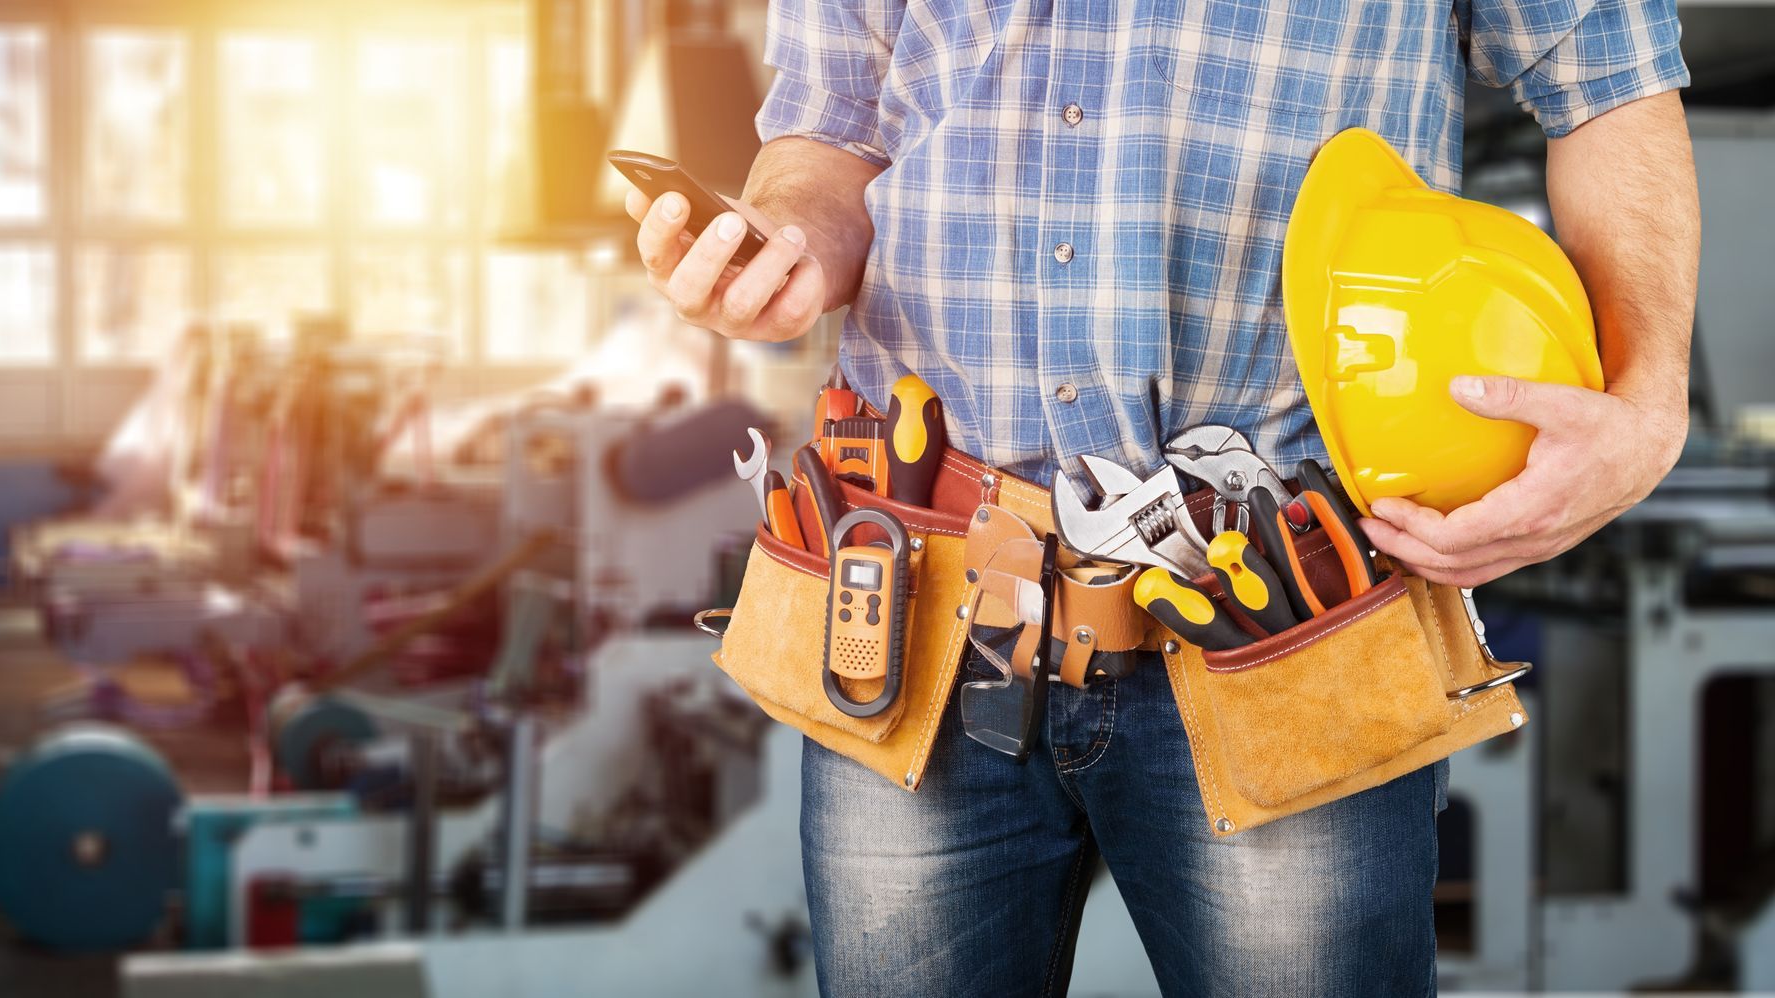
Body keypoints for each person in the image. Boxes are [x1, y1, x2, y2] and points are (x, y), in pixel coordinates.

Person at [627, 1, 1699, 994]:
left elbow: (1608, 79)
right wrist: (784, 249)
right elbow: (833, 132)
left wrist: (1648, 409)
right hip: (919, 603)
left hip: (1289, 623)